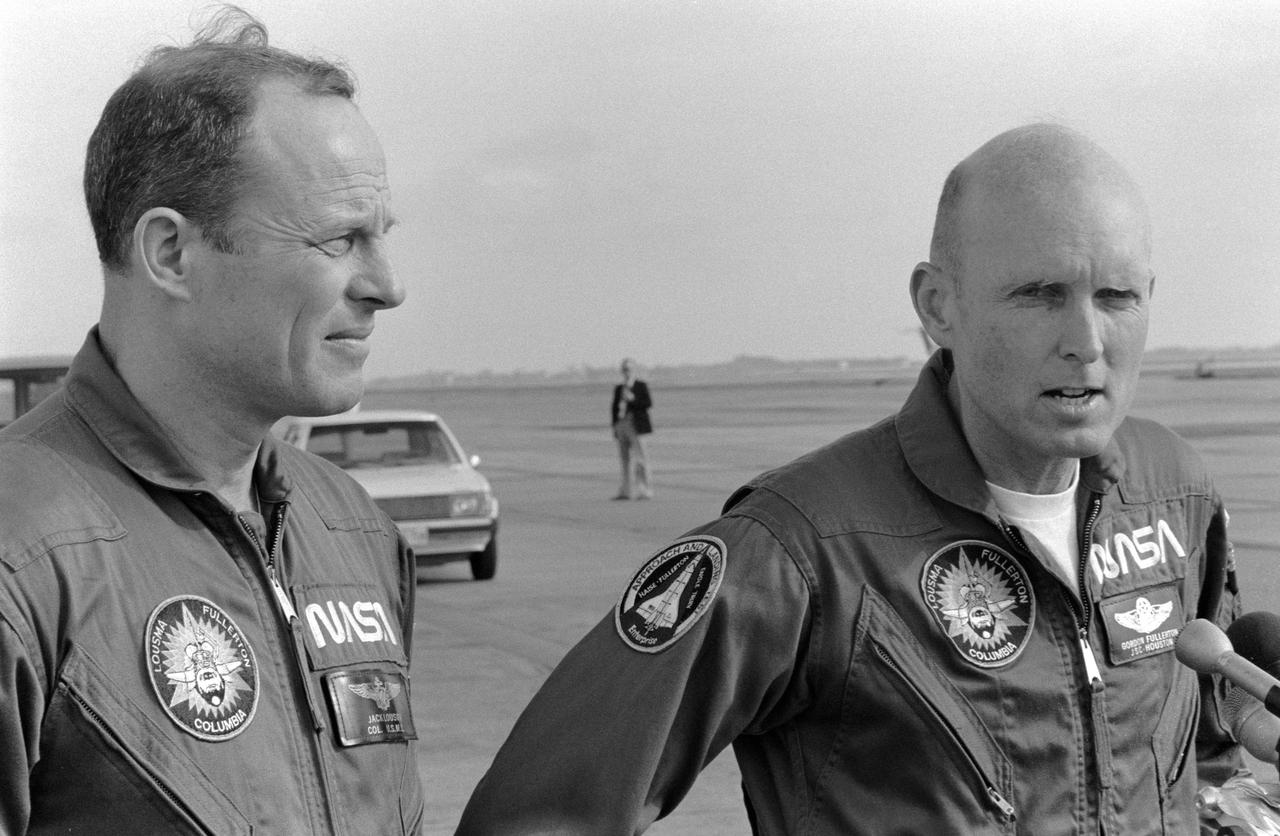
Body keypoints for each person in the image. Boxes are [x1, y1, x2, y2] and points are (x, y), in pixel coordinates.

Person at [457, 124, 1243, 834]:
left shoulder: (1176, 496)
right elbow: (538, 815)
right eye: (1039, 296)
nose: (1086, 340)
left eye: (1117, 297)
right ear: (938, 306)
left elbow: (1206, 756)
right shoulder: (803, 551)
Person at [0, 8, 425, 834]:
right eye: (339, 239)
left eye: (382, 236)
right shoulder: (24, 556)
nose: (386, 285)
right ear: (171, 254)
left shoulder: (357, 532)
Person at [610, 357, 654, 499]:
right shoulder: (619, 388)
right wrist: (615, 427)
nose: (626, 372)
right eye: (624, 369)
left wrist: (633, 399)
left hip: (636, 425)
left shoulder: (640, 386)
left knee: (641, 459)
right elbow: (614, 408)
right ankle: (626, 491)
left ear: (633, 370)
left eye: (628, 369)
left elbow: (647, 403)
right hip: (622, 425)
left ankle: (644, 490)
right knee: (624, 460)